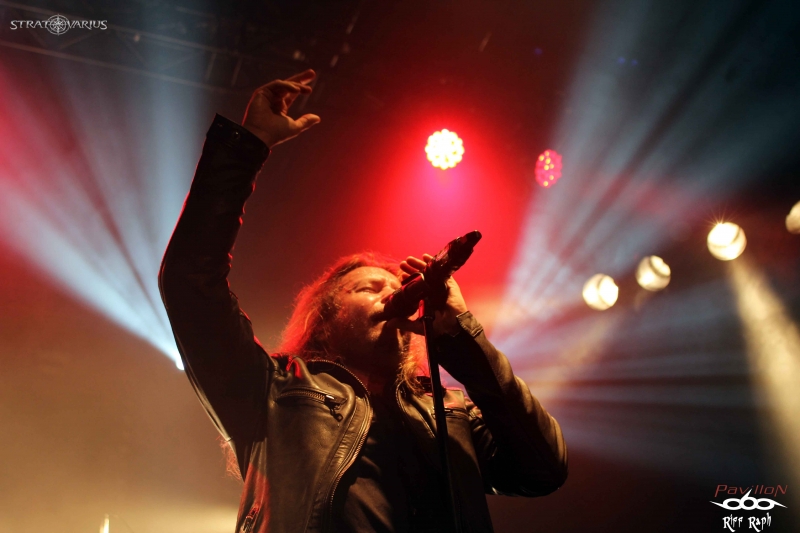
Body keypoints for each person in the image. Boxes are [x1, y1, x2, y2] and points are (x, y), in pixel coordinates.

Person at [159, 69, 567, 533]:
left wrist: (461, 333)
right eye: (369, 288)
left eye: (394, 286)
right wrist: (246, 146)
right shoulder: (272, 390)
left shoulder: (449, 413)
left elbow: (544, 468)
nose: (392, 292)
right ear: (326, 316)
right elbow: (190, 281)